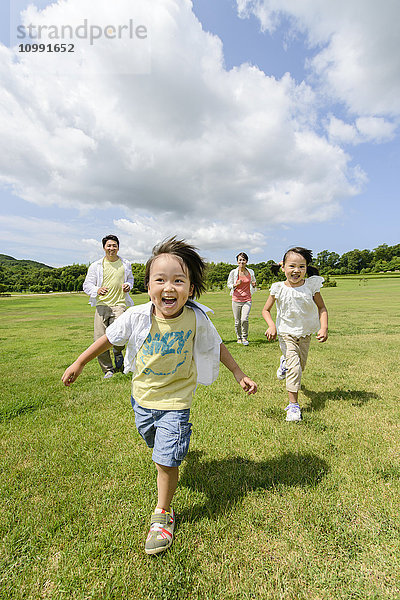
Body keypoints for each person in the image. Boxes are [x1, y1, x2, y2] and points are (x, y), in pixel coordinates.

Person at [62, 237, 257, 555]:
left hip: (177, 401)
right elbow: (109, 339)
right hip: (142, 397)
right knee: (152, 441)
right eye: (161, 280)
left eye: (179, 280)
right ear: (148, 286)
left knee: (165, 460)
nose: (170, 287)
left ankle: (163, 514)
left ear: (191, 288)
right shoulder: (137, 316)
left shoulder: (197, 318)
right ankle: (168, 449)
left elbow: (215, 346)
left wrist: (239, 373)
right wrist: (80, 362)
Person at [262, 247, 328, 422]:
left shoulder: (311, 286)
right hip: (286, 334)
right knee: (295, 368)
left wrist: (323, 328)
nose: (296, 270)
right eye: (292, 266)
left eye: (301, 266)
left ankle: (284, 362)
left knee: (300, 367)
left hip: (305, 334)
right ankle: (293, 406)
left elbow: (322, 308)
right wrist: (271, 326)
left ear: (306, 268)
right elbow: (265, 310)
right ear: (283, 267)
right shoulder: (278, 288)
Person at [83, 234, 134, 379]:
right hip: (102, 305)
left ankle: (118, 352)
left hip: (119, 304)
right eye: (109, 246)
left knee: (120, 335)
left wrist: (128, 285)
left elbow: (130, 279)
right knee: (99, 338)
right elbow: (87, 285)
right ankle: (108, 370)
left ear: (118, 247)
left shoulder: (125, 264)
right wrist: (97, 290)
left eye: (114, 246)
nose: (112, 248)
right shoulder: (96, 265)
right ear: (104, 247)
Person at [227, 252, 257, 346]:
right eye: (240, 260)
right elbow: (229, 284)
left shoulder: (250, 272)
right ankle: (239, 337)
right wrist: (235, 284)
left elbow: (253, 282)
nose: (242, 261)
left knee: (244, 319)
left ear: (246, 261)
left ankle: (244, 337)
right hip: (236, 299)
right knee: (237, 321)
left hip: (247, 299)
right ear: (237, 261)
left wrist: (254, 285)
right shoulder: (233, 272)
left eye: (243, 260)